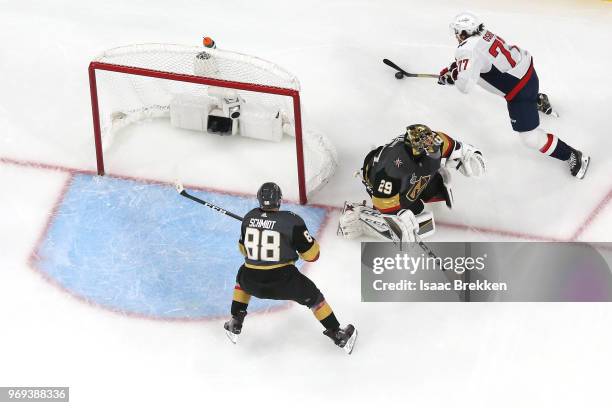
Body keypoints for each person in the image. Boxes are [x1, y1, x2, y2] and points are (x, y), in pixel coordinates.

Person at [438, 11, 589, 179]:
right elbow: (483, 59)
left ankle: (573, 155)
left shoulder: (466, 49)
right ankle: (537, 100)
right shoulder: (485, 34)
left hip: (520, 93)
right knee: (492, 76)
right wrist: (457, 69)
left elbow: (465, 86)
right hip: (530, 75)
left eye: (457, 32)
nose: (456, 36)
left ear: (463, 32)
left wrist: (454, 76)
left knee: (530, 139)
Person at [225, 182, 357, 354]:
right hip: (284, 282)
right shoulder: (292, 221)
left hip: (252, 282)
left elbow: (244, 250)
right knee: (315, 299)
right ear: (279, 200)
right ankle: (337, 333)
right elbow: (312, 256)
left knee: (242, 275)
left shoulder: (249, 218)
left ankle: (236, 320)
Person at [338, 124, 485, 242]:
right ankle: (360, 219)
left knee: (435, 189)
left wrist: (469, 154)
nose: (434, 150)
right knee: (405, 223)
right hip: (376, 178)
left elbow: (455, 147)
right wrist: (399, 213)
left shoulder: (433, 140)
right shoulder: (393, 169)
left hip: (407, 172)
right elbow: (381, 201)